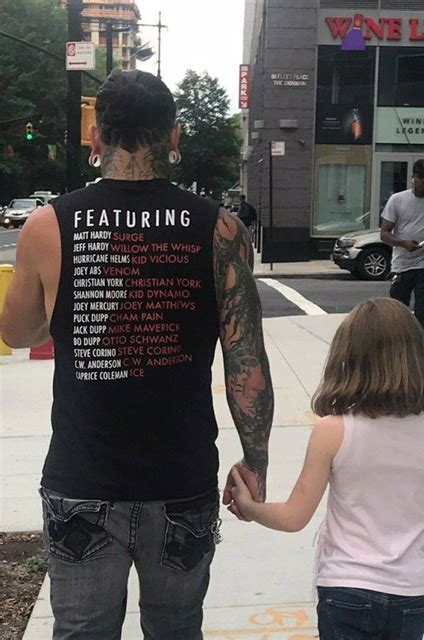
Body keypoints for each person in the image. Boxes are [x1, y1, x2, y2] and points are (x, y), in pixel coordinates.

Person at [0, 69, 274, 639]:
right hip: (182, 477)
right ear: (173, 137)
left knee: (82, 631)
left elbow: (20, 333)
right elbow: (246, 358)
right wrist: (256, 461)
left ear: (96, 136)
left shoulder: (48, 226)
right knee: (177, 629)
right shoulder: (220, 230)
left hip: (83, 478)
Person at [229, 298, 424, 640]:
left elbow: (294, 517)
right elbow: (416, 494)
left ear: (347, 358)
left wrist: (248, 506)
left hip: (348, 587)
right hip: (414, 589)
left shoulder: (334, 430)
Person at [380, 158, 424, 346]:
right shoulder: (398, 200)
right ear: (413, 178)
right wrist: (403, 243)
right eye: (420, 178)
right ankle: (397, 349)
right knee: (398, 310)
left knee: (422, 310)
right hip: (402, 264)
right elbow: (384, 234)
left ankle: (422, 351)